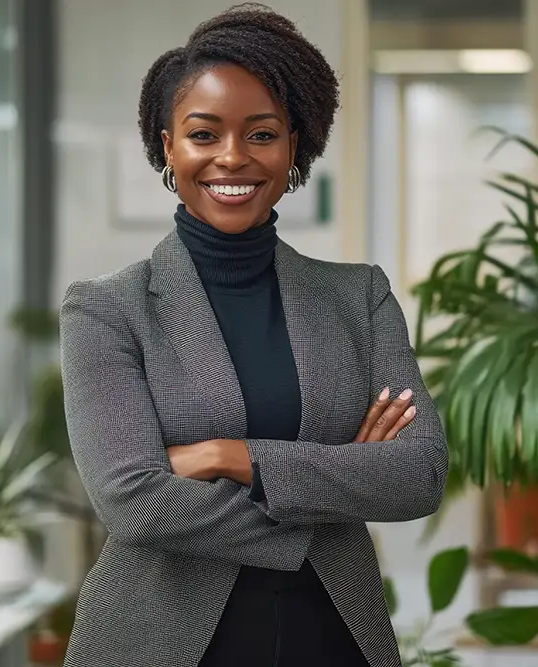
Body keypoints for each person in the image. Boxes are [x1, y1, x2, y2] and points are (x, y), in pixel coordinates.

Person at [58, 4, 448, 666]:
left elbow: (418, 472)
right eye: (204, 134)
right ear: (168, 144)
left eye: (261, 134)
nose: (231, 157)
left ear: (295, 144)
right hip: (161, 640)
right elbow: (133, 502)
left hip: (333, 635)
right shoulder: (107, 309)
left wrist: (224, 455)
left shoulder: (359, 297)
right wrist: (331, 494)